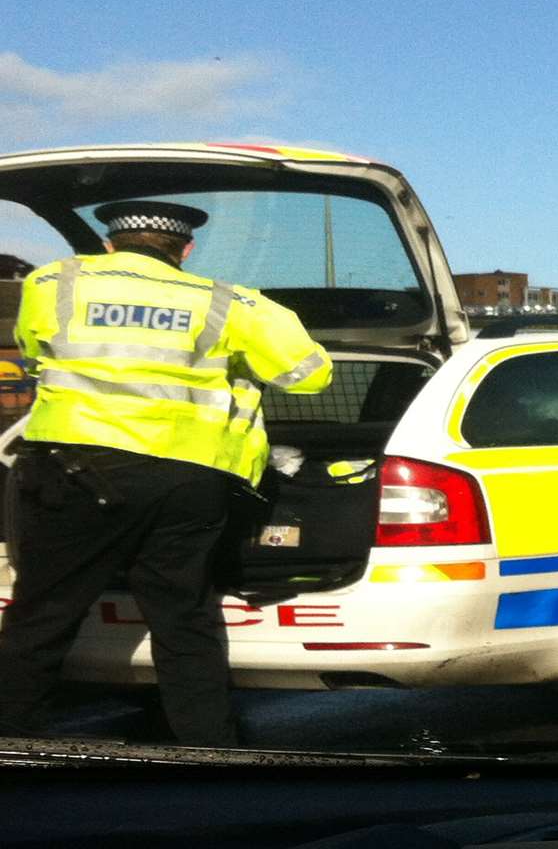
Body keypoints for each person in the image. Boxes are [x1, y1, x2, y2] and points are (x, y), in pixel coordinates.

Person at [0, 201, 332, 746]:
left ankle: (13, 746)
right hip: (186, 479)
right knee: (186, 622)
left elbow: (36, 354)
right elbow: (310, 375)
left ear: (110, 244)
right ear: (185, 250)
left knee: (43, 615)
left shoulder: (52, 281)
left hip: (75, 471)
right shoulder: (228, 301)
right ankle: (209, 754)